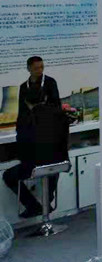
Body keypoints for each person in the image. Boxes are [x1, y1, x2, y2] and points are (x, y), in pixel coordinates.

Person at [3, 56, 62, 217]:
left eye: (42, 67)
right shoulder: (24, 87)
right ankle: (38, 205)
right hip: (41, 156)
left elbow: (56, 107)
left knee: (10, 175)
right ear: (29, 69)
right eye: (36, 68)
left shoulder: (49, 83)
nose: (40, 70)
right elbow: (22, 116)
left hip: (42, 158)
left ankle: (40, 203)